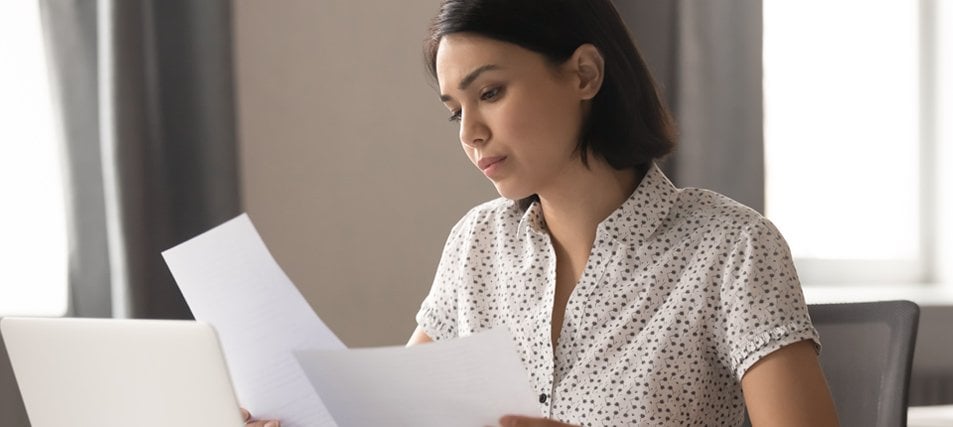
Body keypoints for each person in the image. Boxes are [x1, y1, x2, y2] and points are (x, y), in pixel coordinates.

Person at [245, 1, 839, 426]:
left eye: (491, 93)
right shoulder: (478, 244)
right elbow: (393, 416)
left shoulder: (731, 247)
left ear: (585, 74)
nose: (471, 133)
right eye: (455, 110)